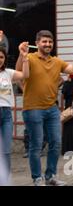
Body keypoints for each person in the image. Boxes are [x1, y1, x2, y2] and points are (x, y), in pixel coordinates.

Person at [15, 30, 73, 186]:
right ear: (37, 43)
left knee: (56, 142)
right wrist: (22, 54)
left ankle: (50, 176)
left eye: (50, 42)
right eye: (44, 41)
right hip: (32, 109)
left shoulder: (57, 61)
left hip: (52, 109)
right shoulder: (30, 58)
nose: (47, 44)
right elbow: (20, 72)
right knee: (37, 145)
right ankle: (37, 178)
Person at [0, 44, 29, 177]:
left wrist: (24, 58)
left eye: (1, 57)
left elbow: (25, 74)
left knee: (6, 150)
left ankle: (5, 177)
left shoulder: (8, 73)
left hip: (6, 115)